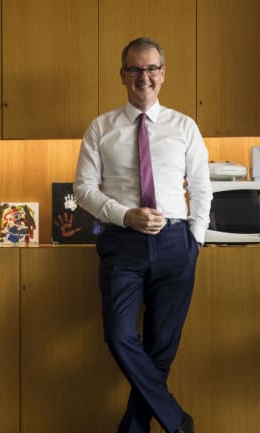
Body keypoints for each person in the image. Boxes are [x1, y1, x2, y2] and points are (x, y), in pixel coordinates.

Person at [74, 37, 211, 433]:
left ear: (163, 74)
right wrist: (125, 215)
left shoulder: (184, 126)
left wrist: (194, 239)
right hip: (122, 245)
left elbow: (202, 185)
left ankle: (134, 427)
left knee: (161, 347)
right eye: (135, 69)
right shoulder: (101, 128)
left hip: (175, 244)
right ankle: (175, 420)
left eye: (151, 69)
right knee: (119, 336)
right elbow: (83, 189)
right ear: (123, 75)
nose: (144, 77)